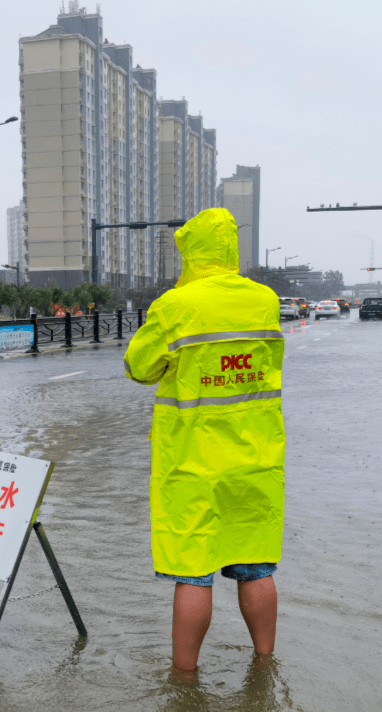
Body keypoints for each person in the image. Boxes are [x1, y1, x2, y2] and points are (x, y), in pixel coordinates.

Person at [124, 208, 285, 671]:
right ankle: (265, 663)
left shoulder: (178, 305)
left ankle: (185, 680)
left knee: (193, 574)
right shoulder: (265, 301)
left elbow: (139, 367)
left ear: (190, 252)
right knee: (255, 565)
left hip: (192, 463)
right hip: (256, 457)